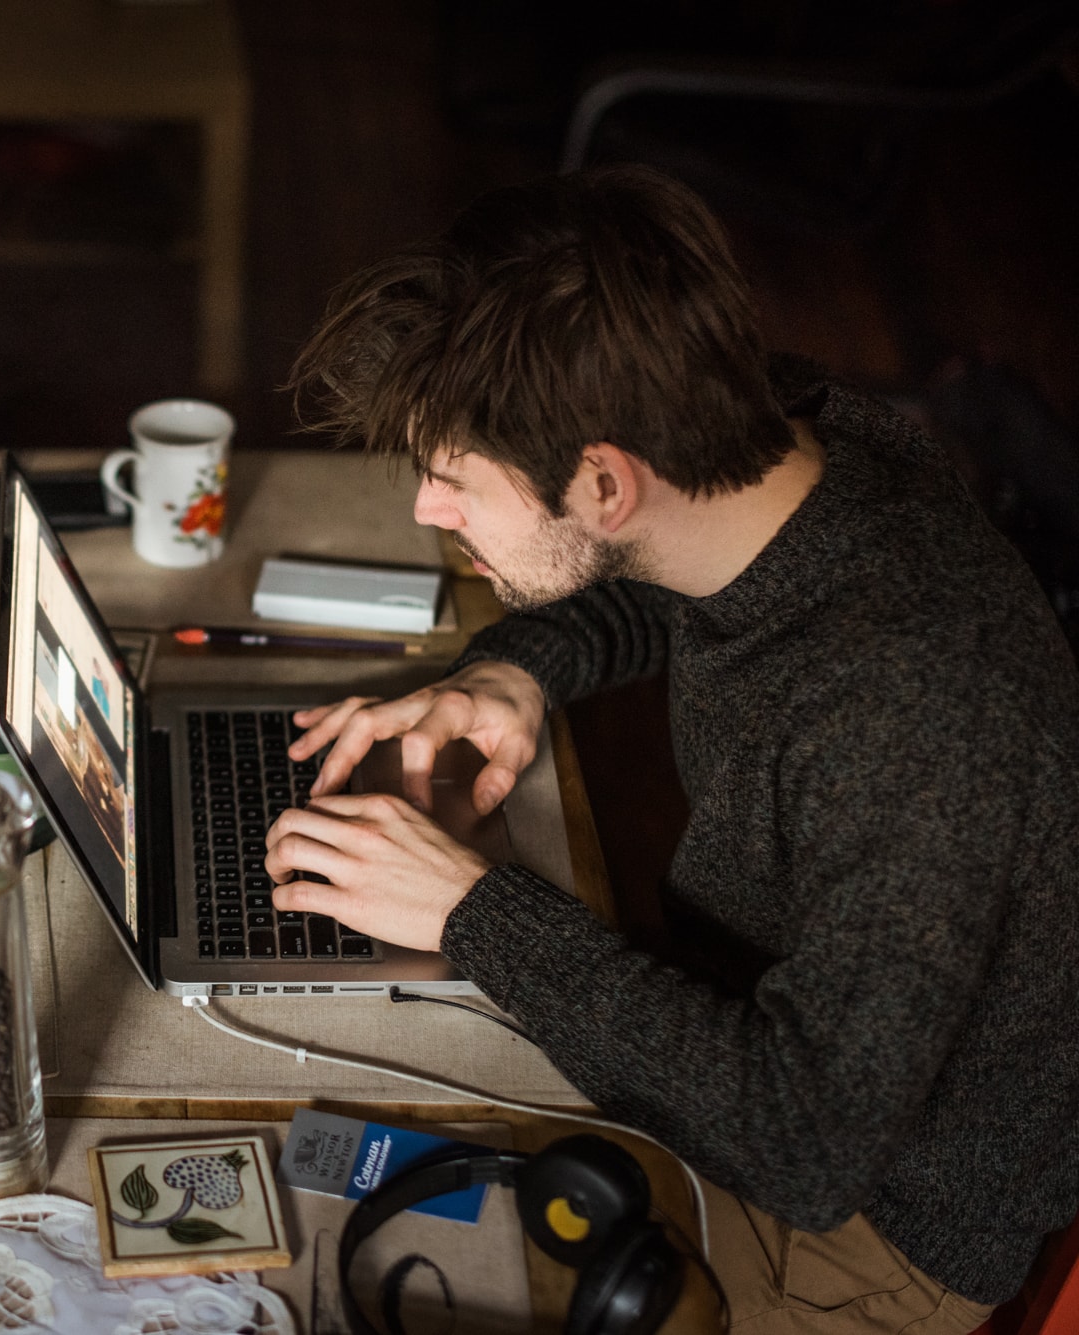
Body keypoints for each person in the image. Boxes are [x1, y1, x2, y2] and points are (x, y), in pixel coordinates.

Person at [272, 166, 1078, 1333]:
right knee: (307, 1134)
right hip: (734, 1045)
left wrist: (470, 910)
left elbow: (804, 1146)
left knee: (296, 1267)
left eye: (451, 479)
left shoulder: (910, 716)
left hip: (861, 1243)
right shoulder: (799, 455)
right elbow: (667, 583)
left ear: (600, 481)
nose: (425, 514)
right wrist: (515, 670)